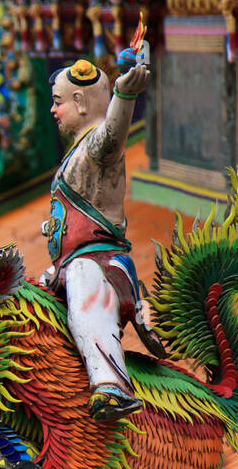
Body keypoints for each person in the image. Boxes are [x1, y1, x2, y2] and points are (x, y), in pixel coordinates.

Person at [41, 58, 165, 422]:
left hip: (98, 266)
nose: (53, 110)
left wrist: (124, 95)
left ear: (81, 102)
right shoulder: (74, 154)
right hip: (67, 266)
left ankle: (110, 383)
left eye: (58, 101)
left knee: (81, 278)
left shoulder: (97, 146)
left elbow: (114, 134)